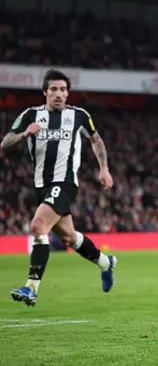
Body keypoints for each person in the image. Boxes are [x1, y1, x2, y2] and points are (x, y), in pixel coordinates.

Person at [1, 69, 117, 307]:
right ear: (45, 92)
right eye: (54, 89)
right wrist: (25, 134)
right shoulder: (31, 115)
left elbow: (96, 140)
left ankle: (31, 288)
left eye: (63, 90)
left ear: (68, 94)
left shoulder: (79, 116)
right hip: (41, 185)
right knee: (69, 237)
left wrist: (104, 168)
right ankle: (106, 263)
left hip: (64, 183)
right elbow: (5, 143)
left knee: (38, 225)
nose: (59, 94)